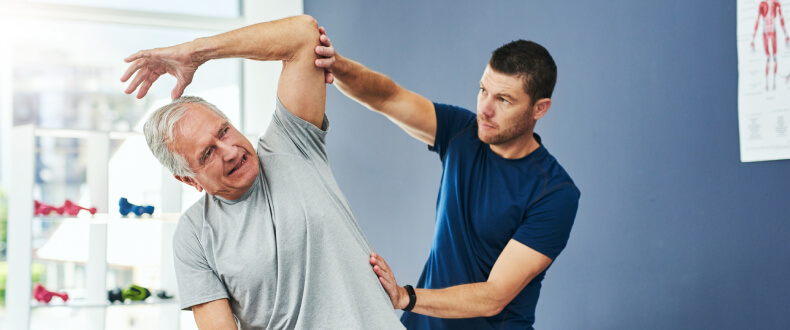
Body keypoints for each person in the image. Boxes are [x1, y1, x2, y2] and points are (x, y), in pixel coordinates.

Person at [120, 16, 404, 330]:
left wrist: (196, 53)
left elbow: (302, 35)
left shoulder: (292, 144)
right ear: (188, 179)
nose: (229, 150)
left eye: (224, 131)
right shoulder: (194, 236)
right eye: (208, 153)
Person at [314, 30, 581, 329]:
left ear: (539, 108)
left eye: (504, 100)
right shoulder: (462, 132)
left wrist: (406, 298)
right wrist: (336, 65)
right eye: (483, 90)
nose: (485, 109)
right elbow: (387, 96)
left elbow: (494, 296)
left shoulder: (555, 193)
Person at [751, 0, 790, 90]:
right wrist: (753, 39)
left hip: (773, 31)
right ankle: (767, 84)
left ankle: (774, 83)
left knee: (774, 58)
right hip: (765, 31)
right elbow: (757, 20)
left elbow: (781, 19)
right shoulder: (762, 4)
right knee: (768, 59)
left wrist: (786, 35)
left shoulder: (776, 3)